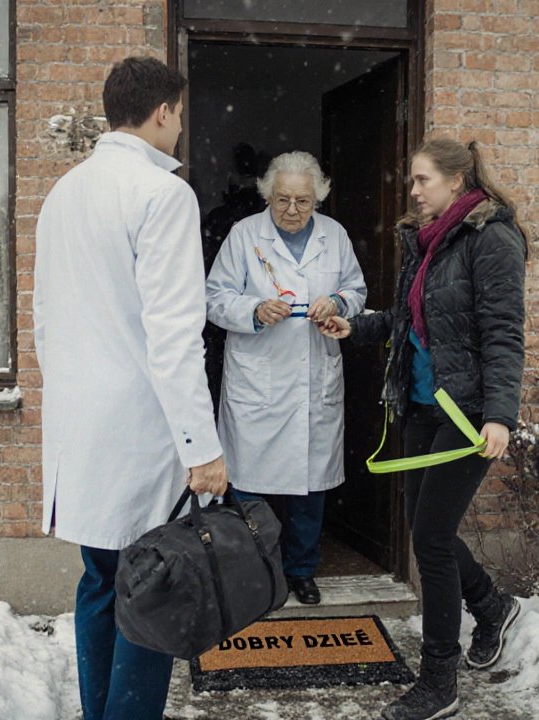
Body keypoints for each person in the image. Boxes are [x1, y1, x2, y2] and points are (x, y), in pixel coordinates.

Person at [33, 56, 227, 720]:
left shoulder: (65, 192)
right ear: (164, 111)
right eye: (179, 114)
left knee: (101, 582)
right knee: (153, 592)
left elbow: (44, 321)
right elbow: (176, 337)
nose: (179, 127)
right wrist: (202, 449)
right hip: (140, 428)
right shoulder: (162, 194)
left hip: (79, 427)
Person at [320, 138, 528, 720]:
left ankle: (440, 681)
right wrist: (354, 328)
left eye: (421, 180)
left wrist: (499, 415)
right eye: (412, 180)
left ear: (457, 181)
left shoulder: (492, 238)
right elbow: (404, 319)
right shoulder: (427, 240)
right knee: (423, 530)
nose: (412, 191)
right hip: (419, 406)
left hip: (466, 413)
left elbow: (503, 332)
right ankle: (491, 606)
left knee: (431, 540)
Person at [205, 151, 367, 605]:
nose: (292, 210)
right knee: (247, 485)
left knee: (309, 484)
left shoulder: (334, 236)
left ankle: (300, 570)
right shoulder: (243, 235)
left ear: (318, 198)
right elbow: (214, 298)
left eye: (303, 201)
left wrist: (336, 302)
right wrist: (253, 310)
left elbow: (357, 289)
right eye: (282, 200)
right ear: (267, 196)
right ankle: (251, 573)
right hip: (259, 377)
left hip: (314, 373)